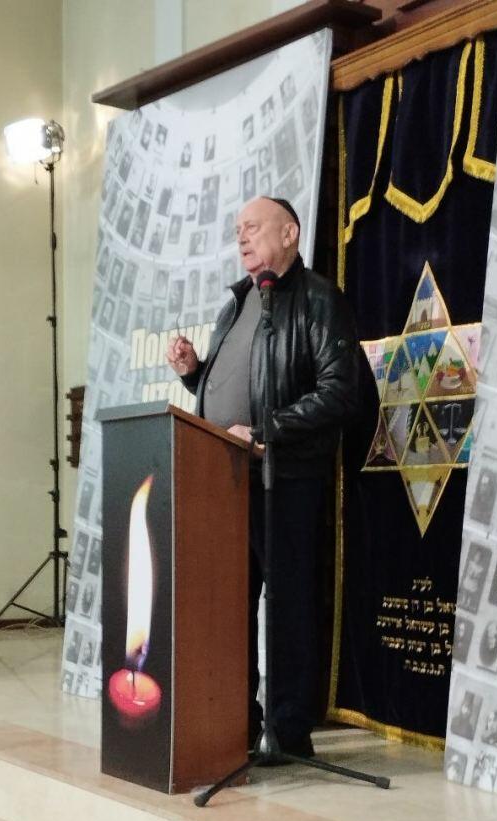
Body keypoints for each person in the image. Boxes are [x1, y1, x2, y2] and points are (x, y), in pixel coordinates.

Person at [165, 196, 361, 758]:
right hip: (226, 479)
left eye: (252, 227)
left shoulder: (318, 299)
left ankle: (288, 733)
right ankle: (238, 724)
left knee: (288, 608)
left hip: (287, 478)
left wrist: (267, 430)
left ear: (290, 232)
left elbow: (339, 392)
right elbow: (238, 384)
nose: (242, 238)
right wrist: (194, 374)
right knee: (230, 604)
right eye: (237, 231)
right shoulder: (237, 303)